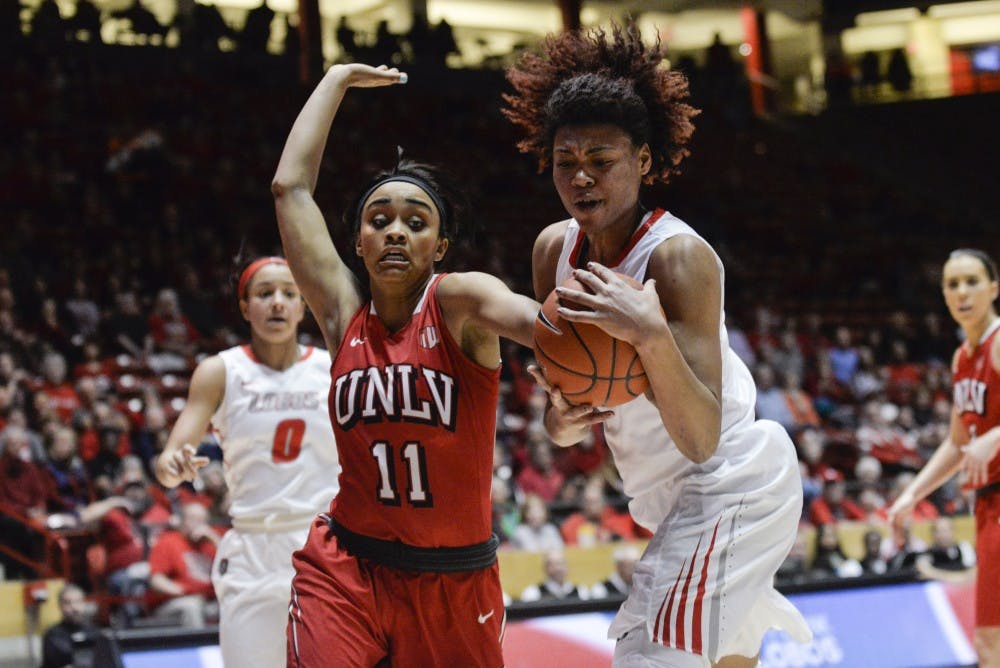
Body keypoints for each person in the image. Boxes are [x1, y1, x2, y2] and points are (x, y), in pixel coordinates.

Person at [504, 23, 811, 666]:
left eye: (602, 161)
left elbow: (700, 437)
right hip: (663, 499)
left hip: (731, 481)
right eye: (566, 163)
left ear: (643, 161)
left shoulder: (678, 259)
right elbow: (566, 425)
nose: (581, 179)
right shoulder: (551, 252)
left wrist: (648, 333)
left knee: (649, 655)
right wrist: (560, 418)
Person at [271, 62, 539, 666]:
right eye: (379, 220)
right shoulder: (343, 317)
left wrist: (574, 343)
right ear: (358, 241)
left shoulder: (460, 301)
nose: (396, 232)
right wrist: (334, 80)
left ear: (439, 247)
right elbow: (291, 190)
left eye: (416, 223)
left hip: (453, 579)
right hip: (347, 566)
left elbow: (533, 320)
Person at [154, 256, 339, 667]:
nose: (277, 303)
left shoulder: (333, 367)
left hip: (323, 545)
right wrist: (174, 466)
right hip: (252, 548)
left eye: (289, 294)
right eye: (264, 293)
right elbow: (169, 459)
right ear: (244, 307)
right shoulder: (220, 371)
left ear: (303, 305)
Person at [889, 248, 1000, 667]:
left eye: (972, 281)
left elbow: (981, 439)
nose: (962, 292)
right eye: (952, 284)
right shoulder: (961, 359)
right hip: (987, 505)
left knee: (991, 645)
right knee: (990, 646)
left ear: (994, 288)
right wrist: (911, 496)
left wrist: (995, 437)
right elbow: (956, 444)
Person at [40, 583, 97, 668]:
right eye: (68, 603)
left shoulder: (94, 631)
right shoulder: (53, 635)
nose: (74, 608)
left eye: (78, 601)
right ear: (60, 606)